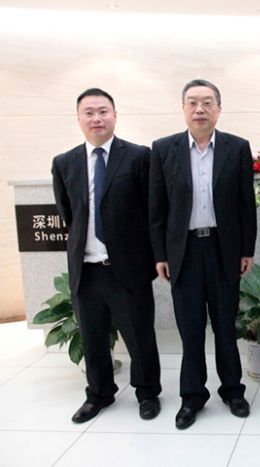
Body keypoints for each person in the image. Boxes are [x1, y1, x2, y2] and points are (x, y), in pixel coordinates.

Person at [149, 79, 256, 429]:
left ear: (218, 109)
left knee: (226, 326)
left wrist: (246, 249)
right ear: (183, 109)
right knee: (191, 329)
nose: (200, 109)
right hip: (184, 252)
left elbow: (245, 205)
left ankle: (233, 391)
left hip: (224, 250)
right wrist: (161, 253)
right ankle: (192, 397)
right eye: (193, 102)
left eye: (207, 102)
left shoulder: (237, 148)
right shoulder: (163, 149)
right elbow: (157, 208)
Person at [52, 88, 161, 423]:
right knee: (92, 338)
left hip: (126, 267)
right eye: (89, 112)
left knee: (139, 335)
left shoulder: (139, 156)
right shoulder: (64, 162)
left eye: (103, 111)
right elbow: (68, 212)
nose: (96, 118)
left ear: (115, 115)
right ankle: (99, 393)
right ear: (78, 118)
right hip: (86, 269)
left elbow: (151, 211)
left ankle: (147, 392)